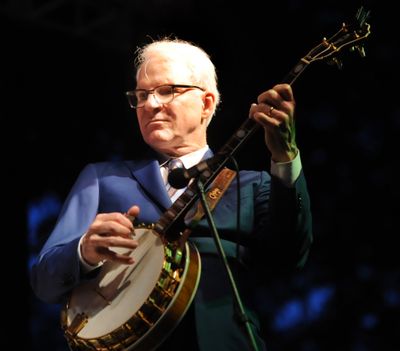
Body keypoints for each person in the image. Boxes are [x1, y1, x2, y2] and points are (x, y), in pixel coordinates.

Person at [30, 37, 313, 351]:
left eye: (167, 91)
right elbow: (45, 280)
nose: (150, 104)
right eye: (141, 95)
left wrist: (285, 158)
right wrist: (84, 252)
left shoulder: (253, 185)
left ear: (206, 103)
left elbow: (291, 256)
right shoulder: (103, 178)